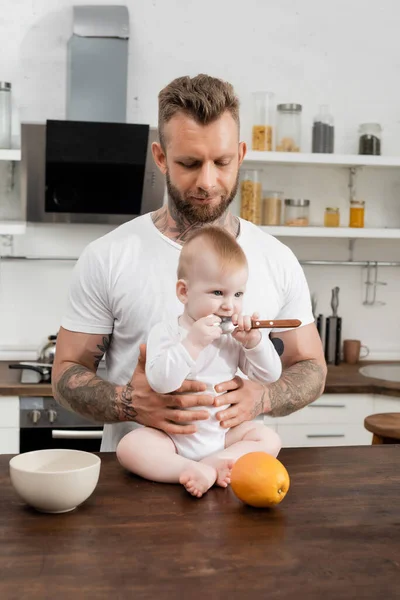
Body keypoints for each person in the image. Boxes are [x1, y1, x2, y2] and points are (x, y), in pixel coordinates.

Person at [52, 74, 327, 454]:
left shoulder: (276, 258)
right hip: (136, 484)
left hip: (237, 482)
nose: (208, 181)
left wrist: (263, 398)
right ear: (161, 157)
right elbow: (65, 371)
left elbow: (311, 366)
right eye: (190, 163)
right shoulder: (109, 255)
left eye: (223, 161)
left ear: (242, 155)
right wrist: (130, 403)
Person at [116, 226, 282, 497]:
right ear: (184, 292)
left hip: (223, 435)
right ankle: (186, 469)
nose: (230, 306)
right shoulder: (166, 332)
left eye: (237, 294)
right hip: (172, 438)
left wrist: (255, 342)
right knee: (130, 447)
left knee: (269, 439)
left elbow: (270, 376)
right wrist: (192, 343)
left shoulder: (233, 338)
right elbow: (160, 381)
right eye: (218, 293)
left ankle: (215, 462)